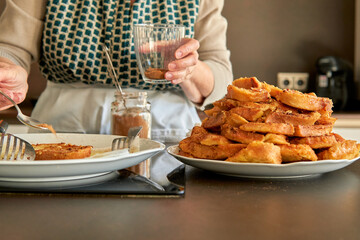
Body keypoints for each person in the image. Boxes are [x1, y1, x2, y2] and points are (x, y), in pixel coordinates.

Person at [0, 0, 232, 182]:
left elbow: (220, 79)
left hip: (166, 148)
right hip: (61, 138)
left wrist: (189, 70)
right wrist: (8, 69)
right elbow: (12, 46)